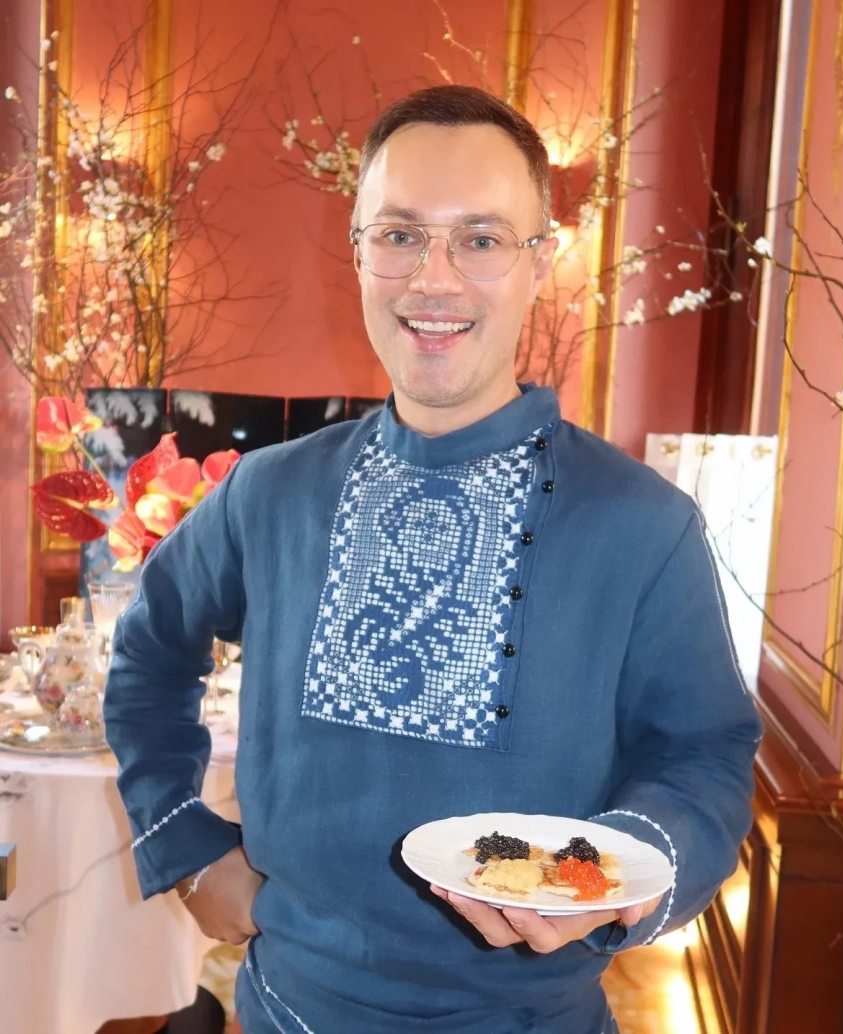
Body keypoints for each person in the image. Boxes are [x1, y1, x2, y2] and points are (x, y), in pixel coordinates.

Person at [104, 84, 762, 1034]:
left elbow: (703, 751)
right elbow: (149, 651)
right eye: (400, 235)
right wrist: (187, 845)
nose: (434, 279)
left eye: (482, 239)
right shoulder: (271, 493)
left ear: (540, 262)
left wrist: (614, 867)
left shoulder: (642, 524)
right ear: (358, 254)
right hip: (290, 1008)